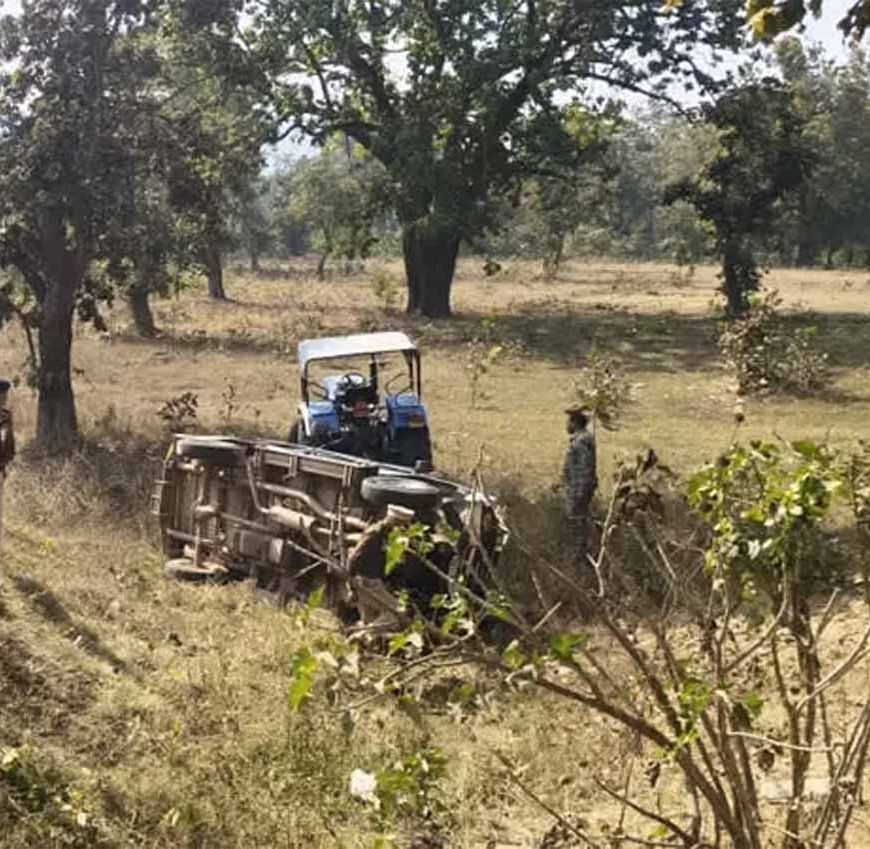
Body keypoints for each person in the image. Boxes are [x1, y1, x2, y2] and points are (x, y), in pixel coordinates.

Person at [562, 405, 597, 559]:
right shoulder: (581, 439)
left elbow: (585, 467)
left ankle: (580, 552)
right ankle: (582, 550)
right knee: (579, 519)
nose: (566, 425)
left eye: (569, 421)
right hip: (577, 487)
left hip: (579, 488)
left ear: (575, 422)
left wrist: (580, 490)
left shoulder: (581, 442)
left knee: (577, 520)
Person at [0, 378, 14, 553]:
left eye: (5, 395)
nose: (4, 398)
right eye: (2, 394)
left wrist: (8, 461)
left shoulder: (6, 415)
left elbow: (8, 441)